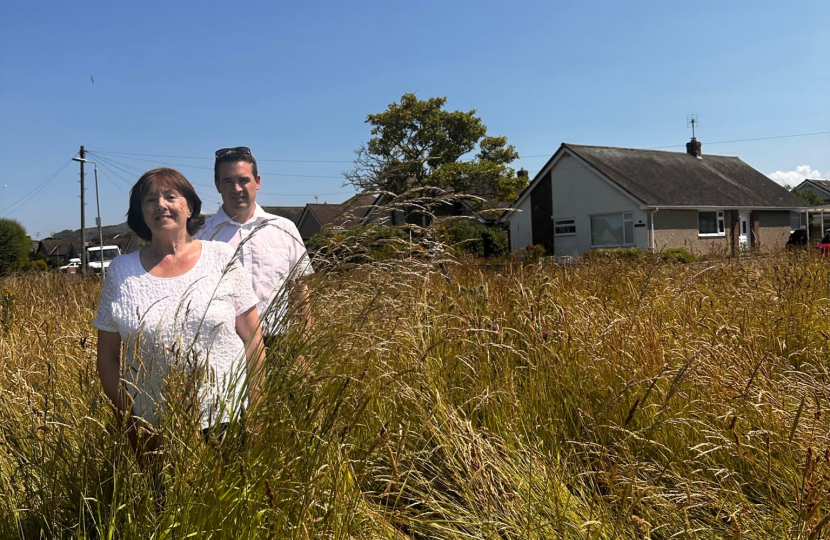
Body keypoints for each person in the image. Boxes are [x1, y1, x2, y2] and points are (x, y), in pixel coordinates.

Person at [94, 168, 265, 449]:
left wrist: (255, 406)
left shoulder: (221, 257)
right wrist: (131, 421)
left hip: (228, 418)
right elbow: (108, 358)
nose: (160, 205)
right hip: (154, 425)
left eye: (171, 196)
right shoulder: (121, 271)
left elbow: (253, 338)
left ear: (189, 207)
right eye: (150, 200)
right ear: (141, 213)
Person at [197, 147, 313, 340]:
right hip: (221, 342)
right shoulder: (201, 234)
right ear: (217, 185)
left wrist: (304, 340)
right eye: (228, 181)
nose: (236, 189)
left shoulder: (284, 228)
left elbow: (299, 288)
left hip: (279, 340)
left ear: (257, 182)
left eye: (243, 180)